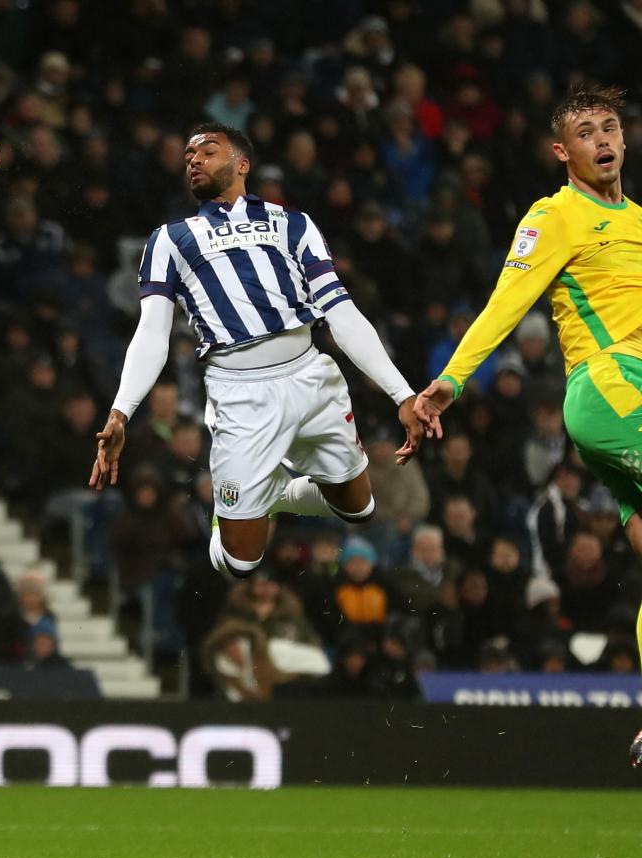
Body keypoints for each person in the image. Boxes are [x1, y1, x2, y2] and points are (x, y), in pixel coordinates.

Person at [410, 86, 642, 764]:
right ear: (560, 151)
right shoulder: (555, 215)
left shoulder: (638, 220)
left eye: (610, 128)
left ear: (624, 141)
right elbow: (505, 304)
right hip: (609, 388)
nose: (602, 139)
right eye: (585, 132)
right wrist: (451, 379)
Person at [90, 121, 423, 581]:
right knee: (242, 563)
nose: (194, 161)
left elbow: (341, 314)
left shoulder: (294, 224)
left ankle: (277, 493)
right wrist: (121, 411)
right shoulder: (170, 239)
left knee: (360, 508)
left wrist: (401, 394)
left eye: (207, 151)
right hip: (239, 393)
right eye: (188, 158)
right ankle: (237, 511)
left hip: (309, 376)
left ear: (242, 164)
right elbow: (151, 332)